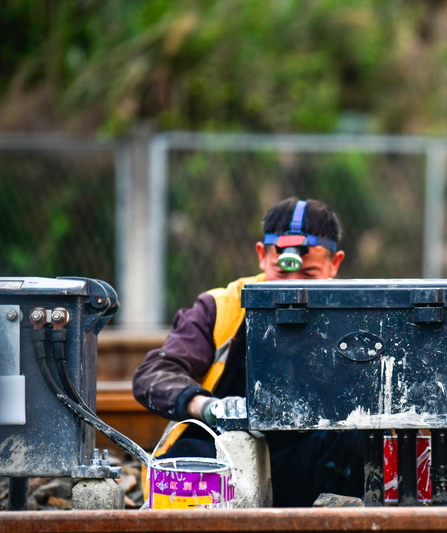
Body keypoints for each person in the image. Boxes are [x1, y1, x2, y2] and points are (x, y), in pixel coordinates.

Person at [132, 197, 366, 507]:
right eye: (281, 274)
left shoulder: (356, 314)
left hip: (311, 466)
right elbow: (154, 375)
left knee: (360, 441)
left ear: (335, 263)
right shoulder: (220, 308)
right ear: (261, 255)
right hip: (227, 459)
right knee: (188, 455)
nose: (291, 286)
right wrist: (208, 407)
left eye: (308, 275)